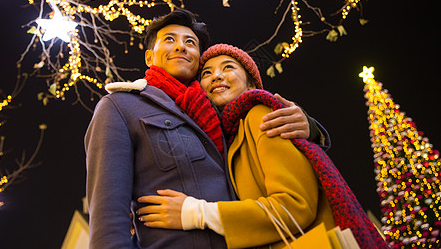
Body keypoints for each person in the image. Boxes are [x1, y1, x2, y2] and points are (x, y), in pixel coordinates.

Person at [85, 9, 329, 249]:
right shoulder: (121, 107)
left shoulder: (222, 118)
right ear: (149, 57)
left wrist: (311, 128)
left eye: (190, 42)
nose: (181, 47)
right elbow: (108, 219)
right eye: (169, 40)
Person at [136, 44, 389, 249]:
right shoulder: (226, 137)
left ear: (251, 84)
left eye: (228, 67)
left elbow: (294, 206)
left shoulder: (260, 115)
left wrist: (196, 213)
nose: (217, 76)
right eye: (206, 73)